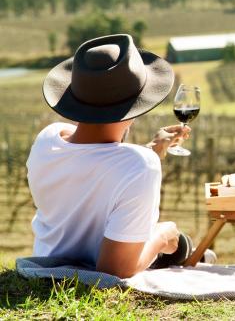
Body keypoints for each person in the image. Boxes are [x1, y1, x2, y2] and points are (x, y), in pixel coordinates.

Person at [27, 33, 198, 278]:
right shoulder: (140, 167)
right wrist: (163, 236)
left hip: (44, 267)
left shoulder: (47, 139)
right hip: (86, 278)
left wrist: (150, 150)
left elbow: (91, 160)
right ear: (136, 107)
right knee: (175, 239)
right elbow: (115, 269)